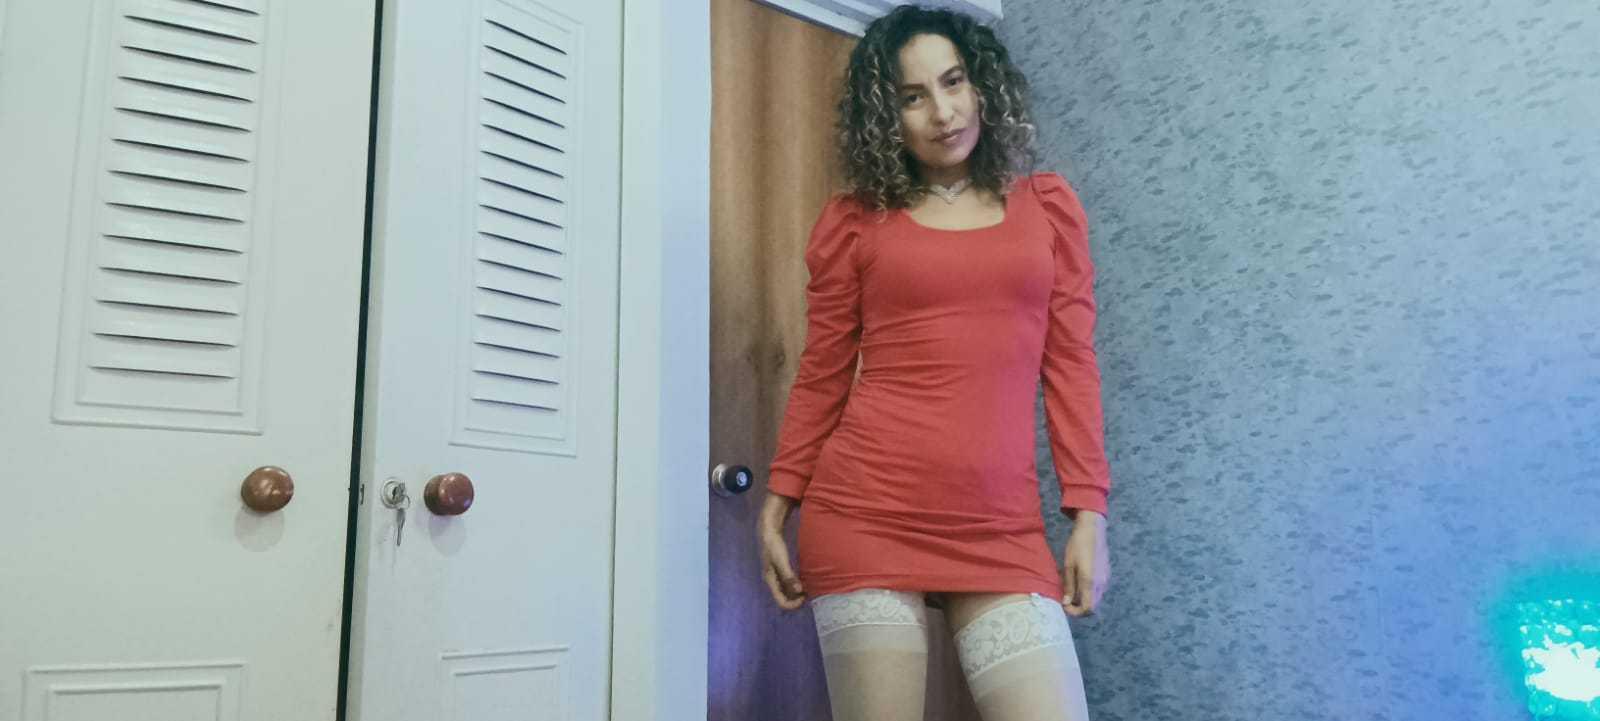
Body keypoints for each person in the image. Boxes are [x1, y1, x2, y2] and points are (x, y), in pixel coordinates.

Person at [754, 5, 1112, 720]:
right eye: (912, 97)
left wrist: (1089, 511)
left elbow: (1071, 363)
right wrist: (781, 496)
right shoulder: (856, 221)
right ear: (885, 116)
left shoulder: (1047, 209)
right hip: (866, 514)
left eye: (953, 82)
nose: (943, 113)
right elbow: (825, 369)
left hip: (1002, 529)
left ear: (982, 85)